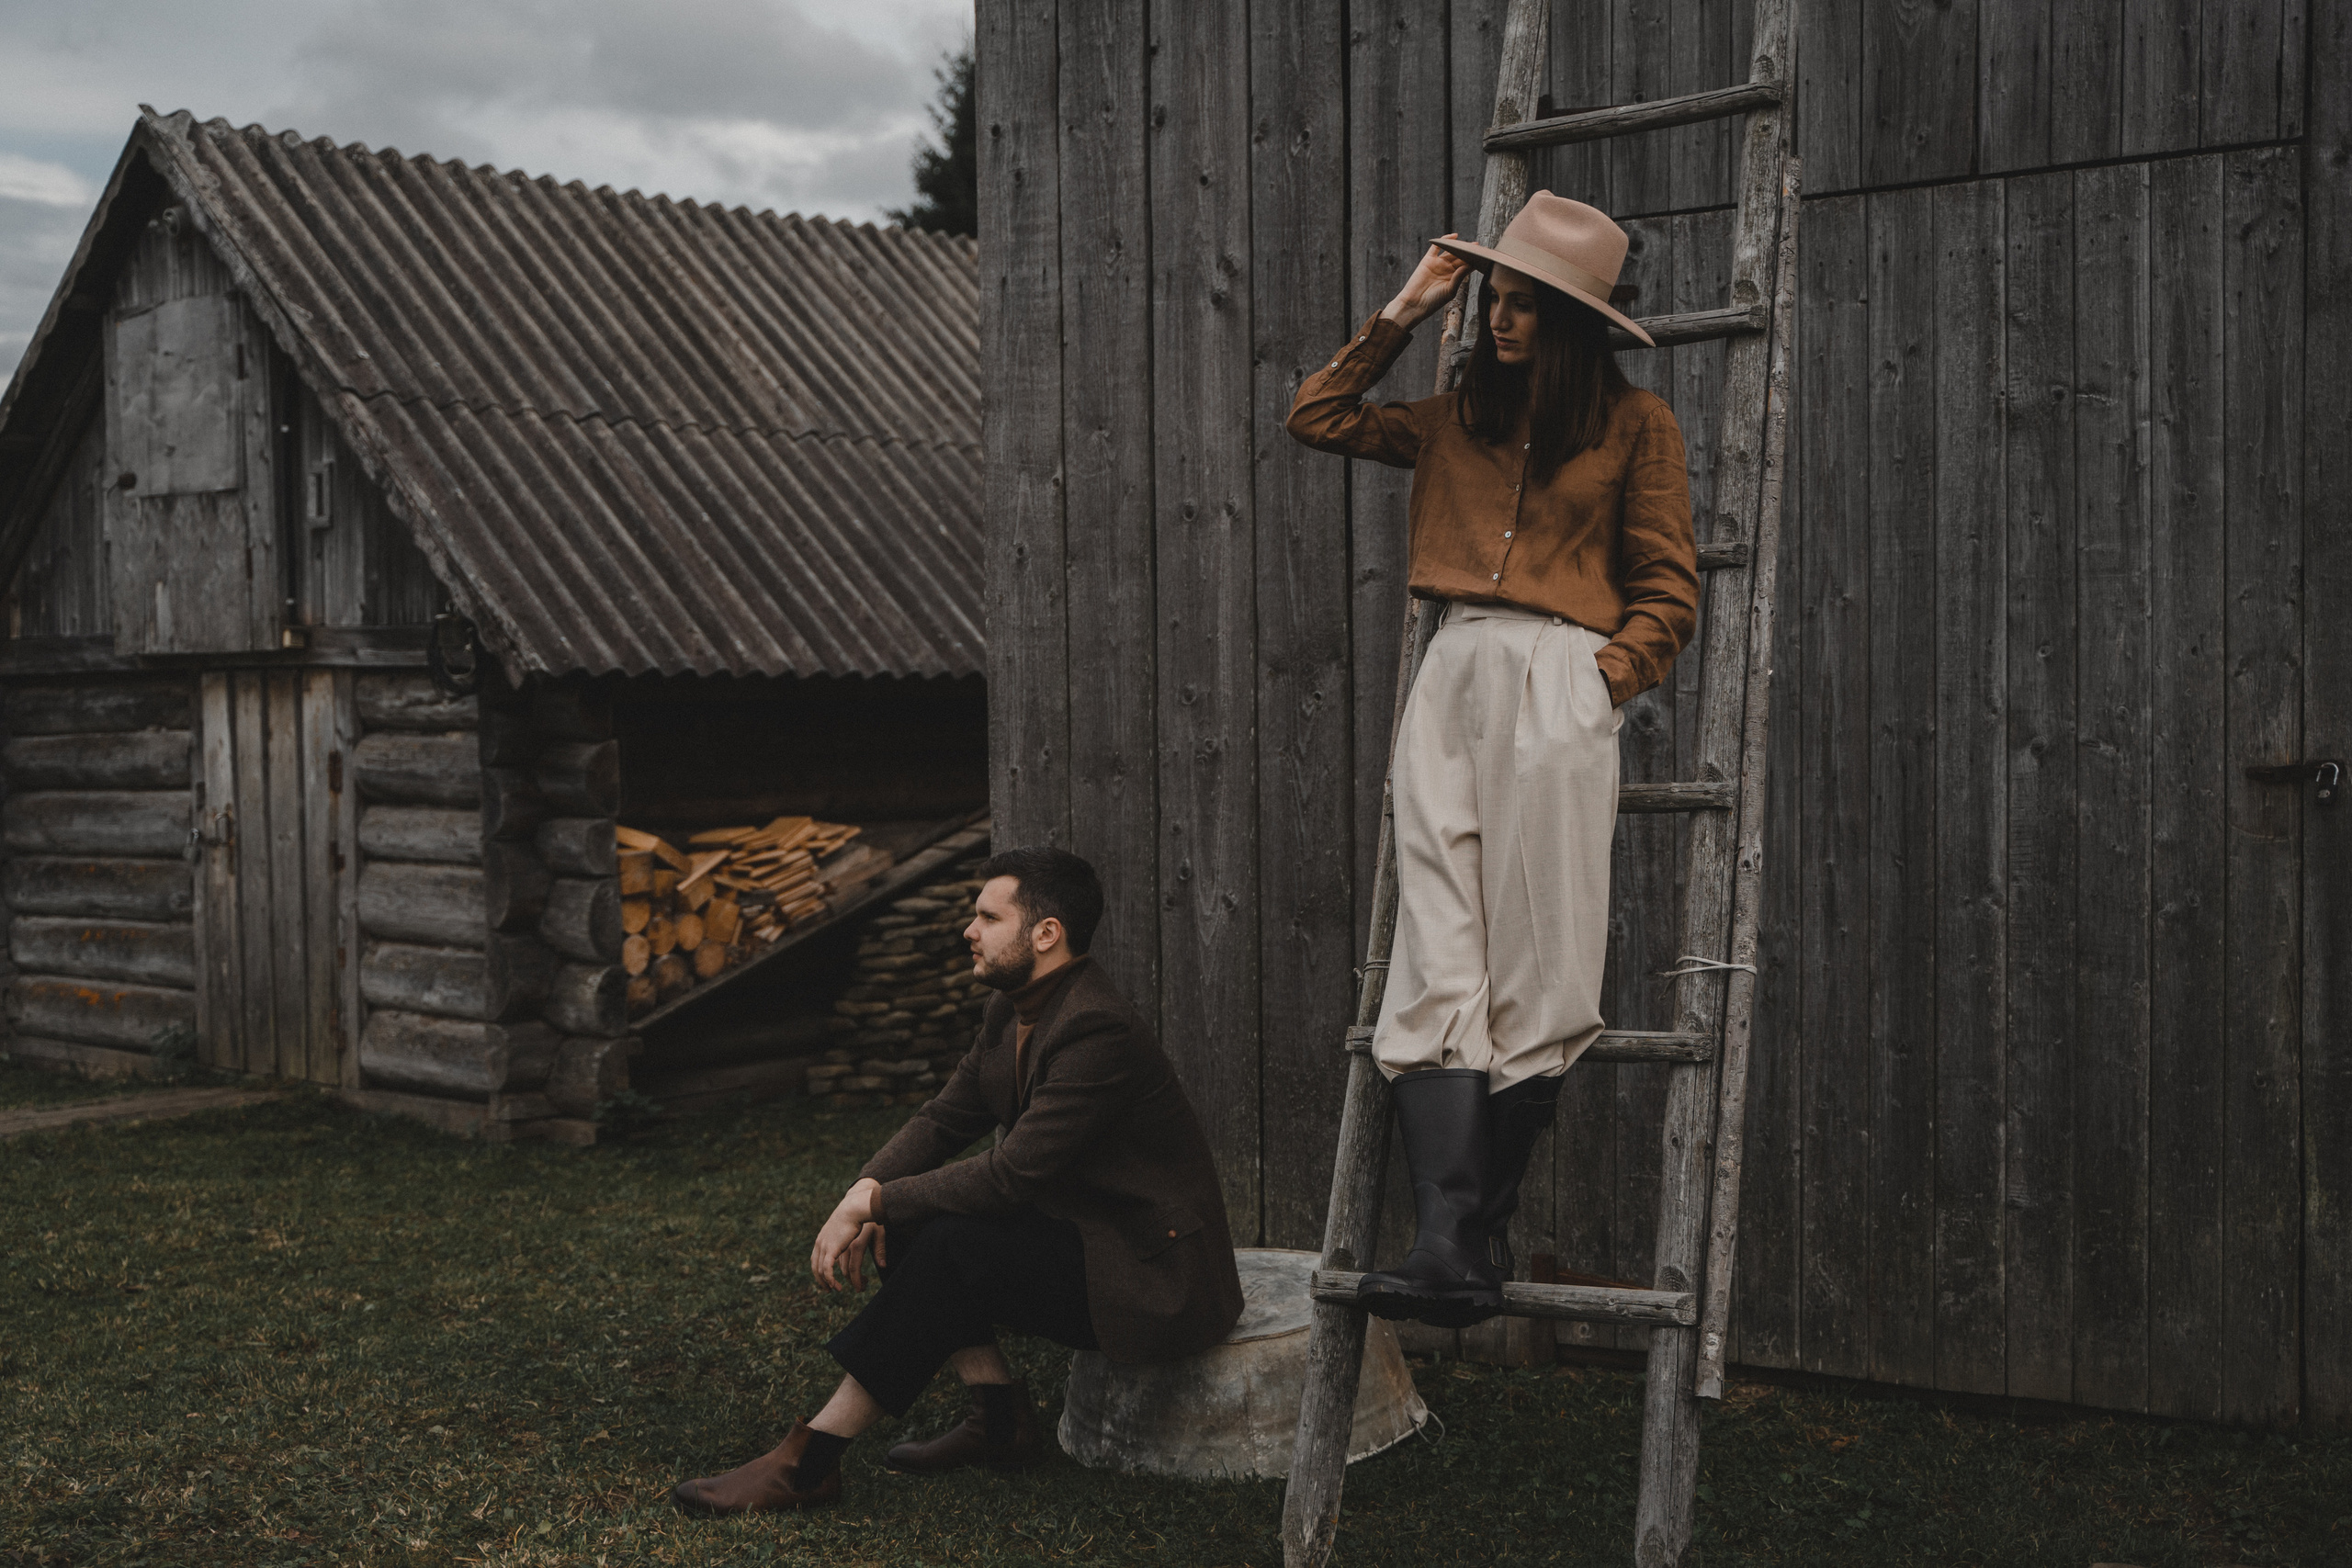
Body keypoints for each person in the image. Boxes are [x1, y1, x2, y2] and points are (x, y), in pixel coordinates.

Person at [1284, 192, 1699, 1326]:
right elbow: (1316, 416)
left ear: (1573, 321)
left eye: (1520, 304)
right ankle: (1443, 1249)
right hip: (1453, 676)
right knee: (1437, 945)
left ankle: (1470, 1242)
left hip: (1558, 680)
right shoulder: (1451, 415)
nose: (1497, 319)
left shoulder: (1635, 425)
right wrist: (1409, 307)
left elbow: (1669, 586)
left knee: (1543, 960)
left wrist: (1599, 682)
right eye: (1494, 298)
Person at [670, 847, 1246, 1515]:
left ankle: (811, 1462)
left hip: (1151, 1270)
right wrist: (866, 1191)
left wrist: (877, 1199)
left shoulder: (1098, 1029)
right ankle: (999, 1422)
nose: (968, 930)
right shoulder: (1011, 1010)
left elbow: (1009, 1177)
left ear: (1046, 933)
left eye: (986, 915)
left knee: (949, 1243)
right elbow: (944, 1117)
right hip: (1082, 1236)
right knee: (912, 1219)